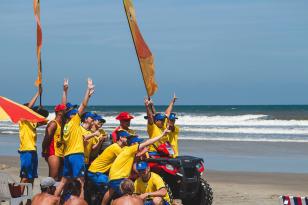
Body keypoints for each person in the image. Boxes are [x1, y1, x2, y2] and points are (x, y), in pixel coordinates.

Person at [101, 129, 170, 205]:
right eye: (138, 143)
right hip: (119, 177)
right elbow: (148, 142)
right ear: (133, 144)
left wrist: (141, 173)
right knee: (127, 198)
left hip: (115, 176)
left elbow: (135, 162)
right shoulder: (131, 149)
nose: (139, 144)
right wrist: (162, 135)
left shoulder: (126, 150)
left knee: (115, 196)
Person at [54, 78, 95, 198]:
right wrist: (88, 90)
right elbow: (84, 104)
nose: (77, 111)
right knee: (81, 182)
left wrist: (65, 91)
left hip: (67, 156)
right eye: (74, 111)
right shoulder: (74, 121)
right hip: (77, 155)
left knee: (63, 182)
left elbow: (62, 108)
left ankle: (54, 200)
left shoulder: (63, 125)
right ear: (71, 114)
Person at [19, 87, 49, 205]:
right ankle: (18, 200)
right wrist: (38, 93)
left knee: (31, 178)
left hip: (32, 151)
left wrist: (40, 111)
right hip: (26, 150)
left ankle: (28, 201)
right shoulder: (22, 119)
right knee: (25, 178)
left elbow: (44, 120)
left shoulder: (31, 122)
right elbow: (27, 108)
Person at [87, 130, 129, 198]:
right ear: (121, 137)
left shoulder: (118, 147)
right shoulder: (116, 148)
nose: (128, 139)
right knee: (114, 187)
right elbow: (126, 158)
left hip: (98, 172)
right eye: (127, 137)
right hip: (94, 173)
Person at [42, 79, 68, 180]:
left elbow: (63, 105)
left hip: (61, 153)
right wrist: (44, 151)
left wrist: (65, 91)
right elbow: (46, 139)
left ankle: (53, 195)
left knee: (59, 178)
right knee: (53, 178)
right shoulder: (53, 124)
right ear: (59, 113)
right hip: (53, 153)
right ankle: (46, 195)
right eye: (64, 111)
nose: (66, 111)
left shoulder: (63, 123)